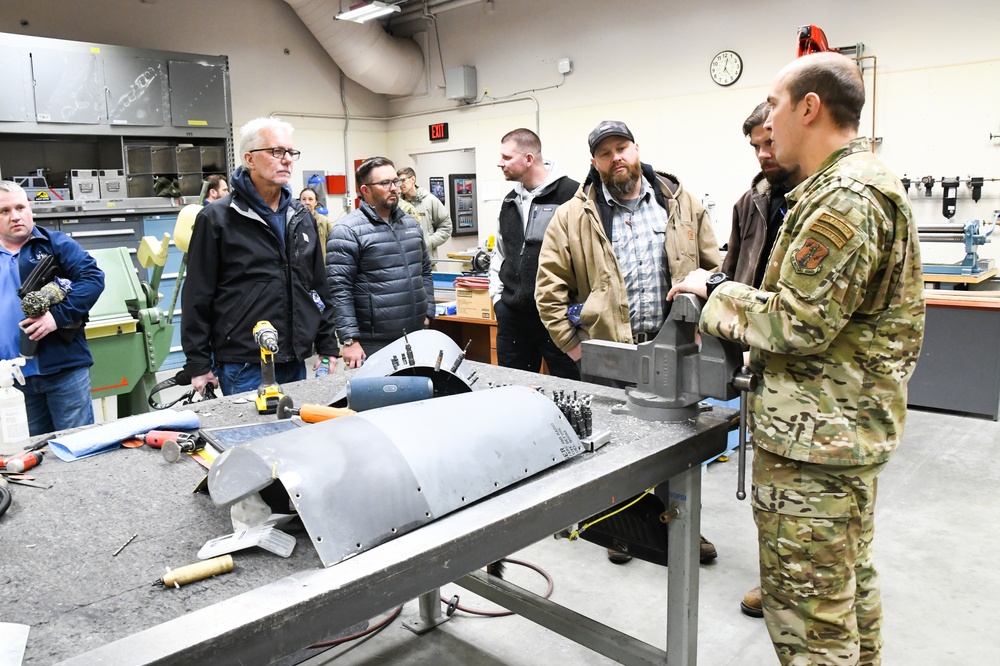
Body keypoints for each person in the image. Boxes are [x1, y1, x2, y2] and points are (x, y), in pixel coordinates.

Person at [668, 52, 925, 665]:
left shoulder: (843, 197)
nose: (769, 124)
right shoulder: (844, 185)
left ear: (809, 107)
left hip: (818, 441)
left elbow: (797, 320)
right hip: (839, 431)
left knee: (809, 615)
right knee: (845, 589)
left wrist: (714, 291)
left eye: (776, 107)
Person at [535, 120, 722, 565]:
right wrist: (575, 347)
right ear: (595, 163)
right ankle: (627, 528)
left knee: (678, 447)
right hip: (611, 354)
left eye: (622, 148)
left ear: (637, 149)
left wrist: (703, 330)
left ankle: (682, 530)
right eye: (605, 153)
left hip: (675, 349)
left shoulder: (682, 203)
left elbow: (713, 270)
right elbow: (549, 291)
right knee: (616, 446)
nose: (616, 157)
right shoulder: (572, 216)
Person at [182, 117, 339, 396]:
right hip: (245, 362)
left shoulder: (301, 216)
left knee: (297, 435)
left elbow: (316, 285)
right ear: (249, 159)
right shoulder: (217, 218)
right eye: (276, 151)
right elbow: (197, 294)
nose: (287, 160)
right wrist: (198, 362)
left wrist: (327, 344)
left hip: (294, 358)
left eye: (291, 152)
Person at [725, 101, 805, 619]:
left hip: (808, 370)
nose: (763, 153)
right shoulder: (750, 202)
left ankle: (794, 587)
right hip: (760, 355)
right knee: (770, 485)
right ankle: (775, 578)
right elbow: (733, 271)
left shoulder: (818, 201)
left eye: (770, 142)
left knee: (806, 495)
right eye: (755, 145)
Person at [0, 181, 105, 435]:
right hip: (12, 380)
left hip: (64, 372)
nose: (15, 216)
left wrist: (55, 318)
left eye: (20, 207)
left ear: (30, 209)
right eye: (4, 211)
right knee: (31, 456)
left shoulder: (55, 244)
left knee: (76, 447)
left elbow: (93, 278)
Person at [490, 128, 580, 380]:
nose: (500, 163)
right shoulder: (509, 201)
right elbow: (500, 254)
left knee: (574, 391)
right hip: (513, 317)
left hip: (559, 318)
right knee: (513, 390)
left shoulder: (572, 196)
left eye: (507, 157)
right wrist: (498, 300)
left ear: (528, 159)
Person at [327, 157, 434, 368]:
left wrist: (428, 311)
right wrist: (349, 339)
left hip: (415, 335)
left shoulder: (411, 224)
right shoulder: (347, 231)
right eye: (385, 183)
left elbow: (425, 271)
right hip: (373, 343)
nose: (394, 188)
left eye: (395, 181)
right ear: (365, 190)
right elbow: (339, 290)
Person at [396, 167, 452, 259]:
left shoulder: (430, 200)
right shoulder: (397, 203)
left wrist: (428, 242)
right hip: (404, 259)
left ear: (413, 179)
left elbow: (446, 226)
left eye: (403, 180)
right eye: (398, 182)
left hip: (426, 259)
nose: (400, 185)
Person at [299, 187, 331, 260]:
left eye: (310, 199)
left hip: (321, 265)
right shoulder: (293, 222)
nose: (307, 202)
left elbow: (333, 247)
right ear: (299, 201)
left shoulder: (325, 222)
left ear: (316, 202)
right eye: (304, 199)